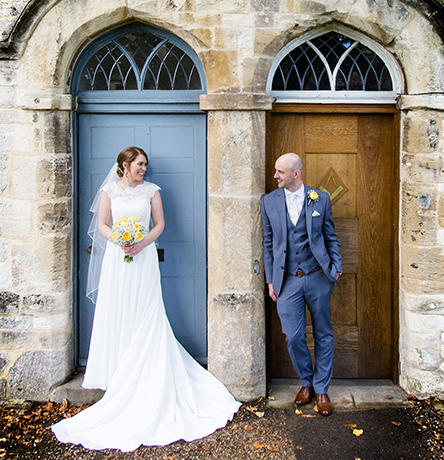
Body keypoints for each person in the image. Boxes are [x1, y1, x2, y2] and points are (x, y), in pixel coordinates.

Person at [52, 146, 240, 452]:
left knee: (147, 310)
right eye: (139, 164)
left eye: (145, 165)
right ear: (125, 165)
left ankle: (148, 372)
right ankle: (120, 373)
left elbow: (160, 224)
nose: (144, 169)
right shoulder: (109, 191)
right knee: (118, 310)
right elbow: (101, 224)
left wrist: (140, 243)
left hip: (144, 256)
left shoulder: (152, 190)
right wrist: (119, 239)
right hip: (117, 258)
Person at [261, 152, 342, 415]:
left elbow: (330, 235)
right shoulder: (269, 201)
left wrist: (336, 268)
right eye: (276, 171)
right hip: (286, 281)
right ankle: (305, 381)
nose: (275, 176)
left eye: (280, 172)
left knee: (323, 333)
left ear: (296, 174)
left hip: (319, 276)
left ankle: (320, 389)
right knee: (294, 336)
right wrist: (271, 280)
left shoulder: (320, 198)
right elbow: (269, 243)